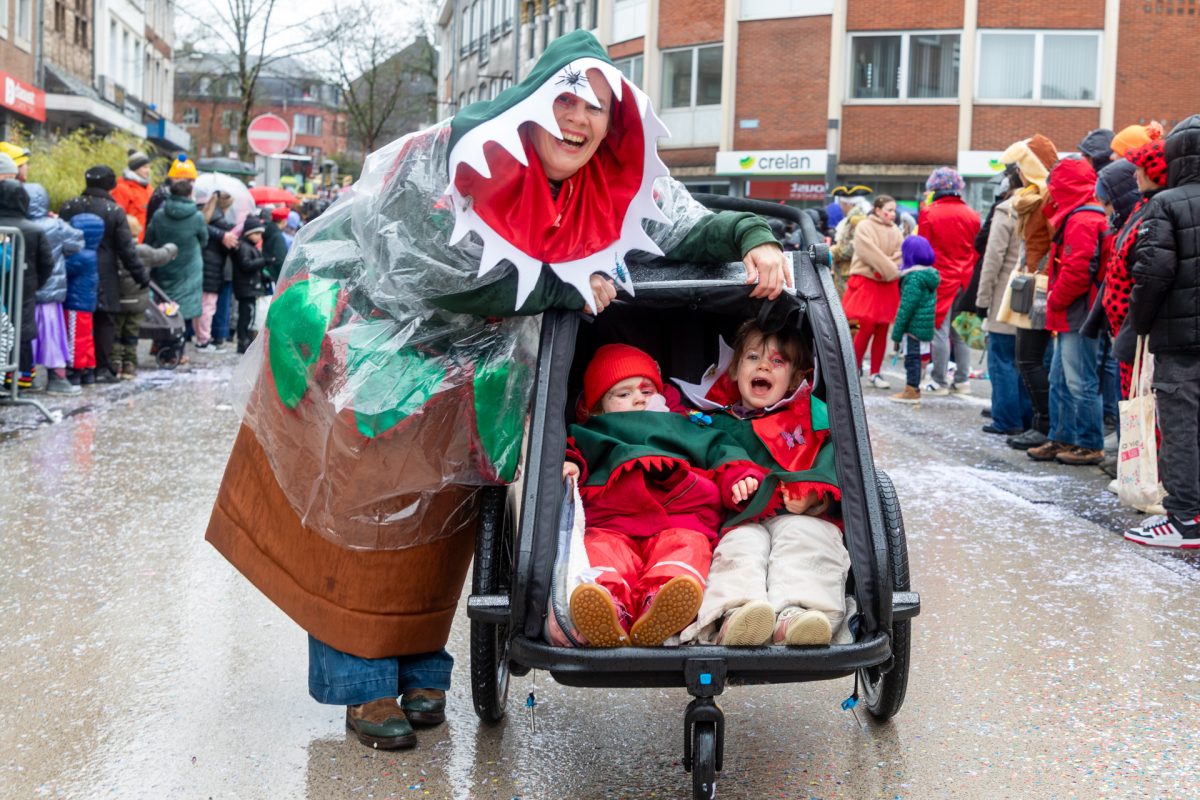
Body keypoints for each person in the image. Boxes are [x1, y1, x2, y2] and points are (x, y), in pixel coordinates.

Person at [204, 30, 790, 752]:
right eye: (567, 98)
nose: (580, 119)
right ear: (535, 98)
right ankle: (362, 685)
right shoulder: (452, 156)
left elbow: (686, 223)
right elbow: (423, 265)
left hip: (470, 371)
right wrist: (561, 282)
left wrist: (753, 237)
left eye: (598, 107)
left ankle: (420, 668)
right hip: (367, 351)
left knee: (439, 524)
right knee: (360, 518)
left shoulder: (609, 179)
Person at [563, 345, 759, 647]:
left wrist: (738, 477)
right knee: (602, 549)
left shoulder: (682, 424)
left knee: (686, 546)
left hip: (679, 514)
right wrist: (571, 462)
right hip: (614, 518)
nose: (639, 398)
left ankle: (662, 600)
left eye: (646, 389)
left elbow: (720, 448)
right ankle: (611, 606)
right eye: (624, 394)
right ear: (598, 407)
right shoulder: (594, 429)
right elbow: (573, 450)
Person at [678, 320, 848, 647]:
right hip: (741, 518)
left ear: (797, 378)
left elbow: (839, 463)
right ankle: (736, 614)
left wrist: (815, 499)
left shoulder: (815, 417)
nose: (764, 365)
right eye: (753, 357)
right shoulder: (715, 422)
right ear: (733, 372)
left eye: (778, 361)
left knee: (807, 540)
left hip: (801, 515)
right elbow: (701, 467)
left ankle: (798, 615)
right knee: (740, 548)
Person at [1124, 115, 1200, 549]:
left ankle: (1185, 519)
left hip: (1179, 337)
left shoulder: (1167, 203)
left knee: (1181, 425)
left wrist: (1141, 324)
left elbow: (1152, 273)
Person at [1026, 157, 1107, 466]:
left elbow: (1076, 271)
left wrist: (1054, 300)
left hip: (1077, 312)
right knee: (1062, 378)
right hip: (1074, 310)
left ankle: (1088, 443)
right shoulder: (1082, 215)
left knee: (1078, 380)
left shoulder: (1081, 219)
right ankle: (1063, 437)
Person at [58, 166, 148, 383]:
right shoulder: (114, 211)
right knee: (105, 320)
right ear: (111, 184)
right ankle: (102, 367)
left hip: (73, 269)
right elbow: (126, 248)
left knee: (75, 319)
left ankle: (76, 365)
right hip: (106, 272)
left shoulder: (69, 206)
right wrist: (140, 276)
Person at [1002, 134, 1060, 451]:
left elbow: (1056, 243)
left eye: (1022, 167)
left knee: (1029, 359)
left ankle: (1045, 425)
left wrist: (1042, 276)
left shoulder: (1047, 198)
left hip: (1039, 287)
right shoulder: (1035, 196)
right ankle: (1041, 423)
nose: (1018, 174)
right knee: (1029, 359)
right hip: (1032, 283)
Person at [1103, 140, 1169, 399]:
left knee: (1142, 409)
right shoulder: (1143, 208)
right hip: (1128, 329)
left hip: (1140, 334)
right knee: (1132, 406)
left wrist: (1135, 322)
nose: (1135, 173)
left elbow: (1152, 276)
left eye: (1141, 167)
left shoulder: (1157, 211)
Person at [918, 167, 980, 396]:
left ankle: (939, 380)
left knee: (940, 331)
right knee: (961, 331)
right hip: (966, 279)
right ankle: (963, 380)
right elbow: (977, 250)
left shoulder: (929, 213)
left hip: (940, 278)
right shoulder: (973, 214)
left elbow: (923, 249)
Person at [975, 178, 1031, 435]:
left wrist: (982, 299)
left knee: (1002, 360)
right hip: (1034, 295)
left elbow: (993, 257)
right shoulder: (1041, 203)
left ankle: (1007, 419)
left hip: (1005, 297)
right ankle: (1028, 417)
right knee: (1027, 361)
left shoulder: (1007, 209)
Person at [24, 183, 85, 396]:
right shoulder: (56, 225)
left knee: (25, 336)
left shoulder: (17, 224)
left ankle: (25, 377)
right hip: (50, 291)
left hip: (23, 294)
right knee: (51, 336)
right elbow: (77, 242)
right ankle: (57, 377)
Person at [841, 195, 902, 390]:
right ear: (877, 209)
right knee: (863, 328)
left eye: (894, 211)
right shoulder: (864, 226)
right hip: (868, 283)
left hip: (885, 284)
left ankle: (875, 372)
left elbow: (900, 254)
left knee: (883, 330)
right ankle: (854, 368)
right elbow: (867, 251)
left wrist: (885, 269)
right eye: (889, 210)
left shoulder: (896, 230)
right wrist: (889, 269)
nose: (892, 214)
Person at [0, 179, 53, 390]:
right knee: (21, 330)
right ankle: (20, 378)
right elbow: (47, 262)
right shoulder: (34, 229)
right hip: (25, 286)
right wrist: (37, 284)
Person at [145, 177, 208, 354]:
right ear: (189, 194)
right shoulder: (197, 217)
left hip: (164, 264)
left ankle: (160, 344)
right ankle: (178, 349)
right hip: (189, 268)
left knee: (164, 303)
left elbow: (149, 239)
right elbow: (204, 240)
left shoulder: (159, 215)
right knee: (185, 307)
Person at [888, 236, 941, 404]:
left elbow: (906, 308)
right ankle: (913, 388)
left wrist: (896, 334)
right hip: (924, 325)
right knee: (917, 357)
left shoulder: (913, 278)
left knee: (912, 358)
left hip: (914, 326)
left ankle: (912, 390)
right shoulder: (928, 274)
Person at [63, 214, 104, 385]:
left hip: (75, 302)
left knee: (75, 337)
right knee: (86, 337)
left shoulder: (80, 255)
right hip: (85, 302)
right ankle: (88, 368)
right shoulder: (92, 253)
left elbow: (64, 267)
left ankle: (75, 369)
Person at [196, 191, 237, 352]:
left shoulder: (204, 216)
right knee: (208, 306)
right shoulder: (221, 223)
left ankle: (201, 338)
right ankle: (204, 340)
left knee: (201, 304)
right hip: (213, 267)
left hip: (201, 264)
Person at [231, 217, 267, 354]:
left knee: (248, 315)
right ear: (248, 233)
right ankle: (243, 341)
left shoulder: (249, 247)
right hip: (246, 287)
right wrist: (263, 261)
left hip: (249, 287)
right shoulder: (244, 247)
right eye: (257, 233)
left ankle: (245, 340)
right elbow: (246, 265)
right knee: (246, 315)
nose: (259, 237)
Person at [146, 154, 199, 229]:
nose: (191, 184)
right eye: (189, 180)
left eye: (192, 181)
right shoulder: (164, 195)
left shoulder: (167, 192)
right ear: (175, 178)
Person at [112, 150, 154, 243]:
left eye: (149, 167)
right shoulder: (122, 188)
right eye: (144, 167)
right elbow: (117, 219)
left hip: (146, 243)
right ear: (135, 168)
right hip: (129, 242)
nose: (148, 171)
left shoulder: (149, 189)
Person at [260, 207, 291, 282]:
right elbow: (280, 259)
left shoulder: (268, 231)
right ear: (283, 221)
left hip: (268, 273)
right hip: (275, 276)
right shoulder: (278, 237)